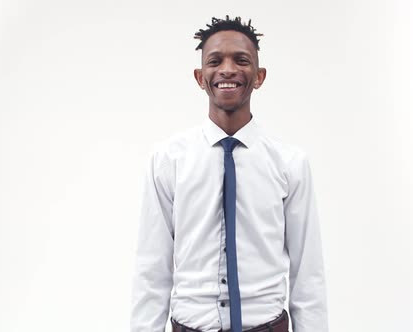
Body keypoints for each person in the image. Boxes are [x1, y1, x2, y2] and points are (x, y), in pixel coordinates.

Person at [131, 16, 328, 332]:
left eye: (241, 60)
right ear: (200, 77)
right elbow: (152, 270)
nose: (227, 69)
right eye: (214, 61)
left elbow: (308, 274)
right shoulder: (168, 160)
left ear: (259, 76)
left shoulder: (290, 163)